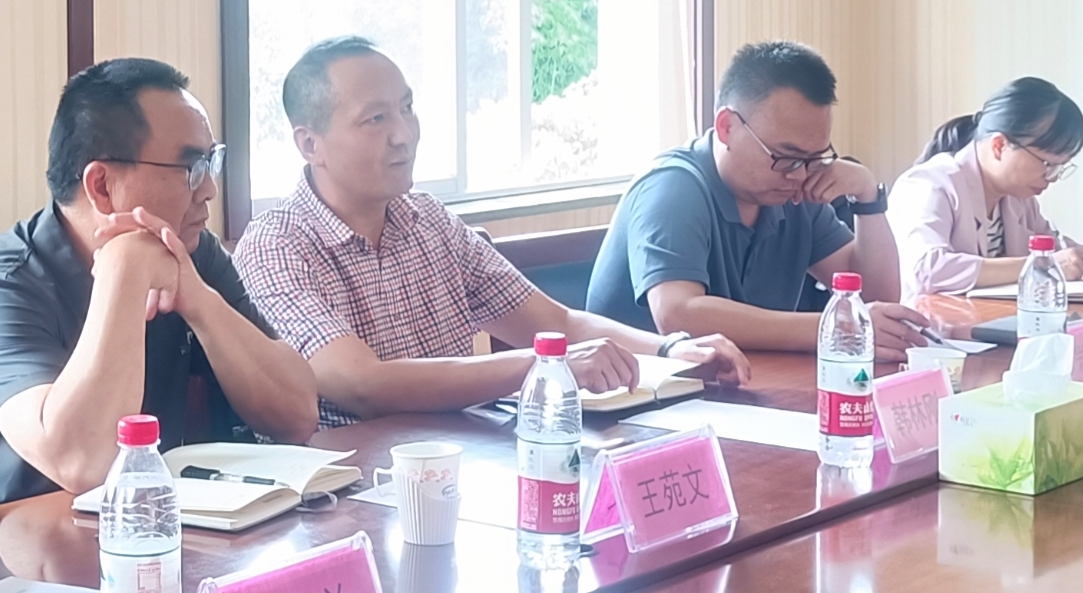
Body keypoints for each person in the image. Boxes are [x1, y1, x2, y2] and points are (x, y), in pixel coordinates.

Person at [234, 37, 751, 428]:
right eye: (375, 119)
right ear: (310, 144)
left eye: (407, 109)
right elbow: (359, 384)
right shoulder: (276, 245)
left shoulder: (428, 219)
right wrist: (547, 365)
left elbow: (555, 321)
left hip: (465, 461)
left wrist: (670, 351)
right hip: (351, 490)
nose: (403, 135)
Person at [0, 58, 318, 510]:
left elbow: (297, 414)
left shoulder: (190, 252)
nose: (209, 190)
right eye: (191, 167)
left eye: (212, 163)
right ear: (102, 187)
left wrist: (199, 301)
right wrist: (125, 268)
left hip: (141, 527)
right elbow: (83, 464)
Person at [586, 40, 933, 361]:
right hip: (642, 396)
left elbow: (873, 300)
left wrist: (868, 198)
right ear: (727, 127)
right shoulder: (672, 187)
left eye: (814, 157)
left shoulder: (795, 187)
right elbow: (678, 314)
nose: (800, 173)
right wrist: (833, 328)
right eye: (786, 156)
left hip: (745, 383)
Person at [891, 76, 1083, 299]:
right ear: (999, 146)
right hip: (929, 332)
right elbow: (927, 269)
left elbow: (1062, 254)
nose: (1052, 177)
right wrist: (1039, 265)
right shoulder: (930, 184)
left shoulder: (1018, 199)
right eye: (1047, 163)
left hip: (987, 326)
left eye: (1060, 167)